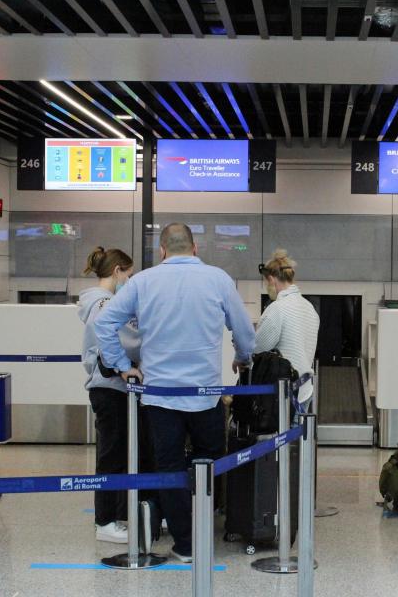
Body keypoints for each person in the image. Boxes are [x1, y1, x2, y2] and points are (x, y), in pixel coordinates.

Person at [94, 223, 255, 562]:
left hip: (159, 396)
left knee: (169, 467)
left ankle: (184, 544)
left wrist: (123, 365)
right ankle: (202, 535)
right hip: (206, 396)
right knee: (208, 464)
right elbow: (243, 330)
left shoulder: (142, 282)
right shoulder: (218, 279)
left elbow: (103, 324)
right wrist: (242, 358)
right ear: (195, 249)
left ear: (162, 251)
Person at [77, 247, 139, 544]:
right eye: (128, 273)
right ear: (117, 271)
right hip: (110, 387)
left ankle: (114, 516)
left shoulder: (96, 302)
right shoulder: (105, 304)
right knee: (111, 456)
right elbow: (123, 339)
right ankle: (105, 521)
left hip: (108, 386)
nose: (129, 279)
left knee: (115, 453)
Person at [255, 249, 321, 405]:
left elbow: (257, 348)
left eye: (266, 283)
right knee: (301, 430)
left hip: (284, 396)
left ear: (271, 279)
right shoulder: (309, 308)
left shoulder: (278, 308)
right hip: (305, 390)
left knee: (282, 431)